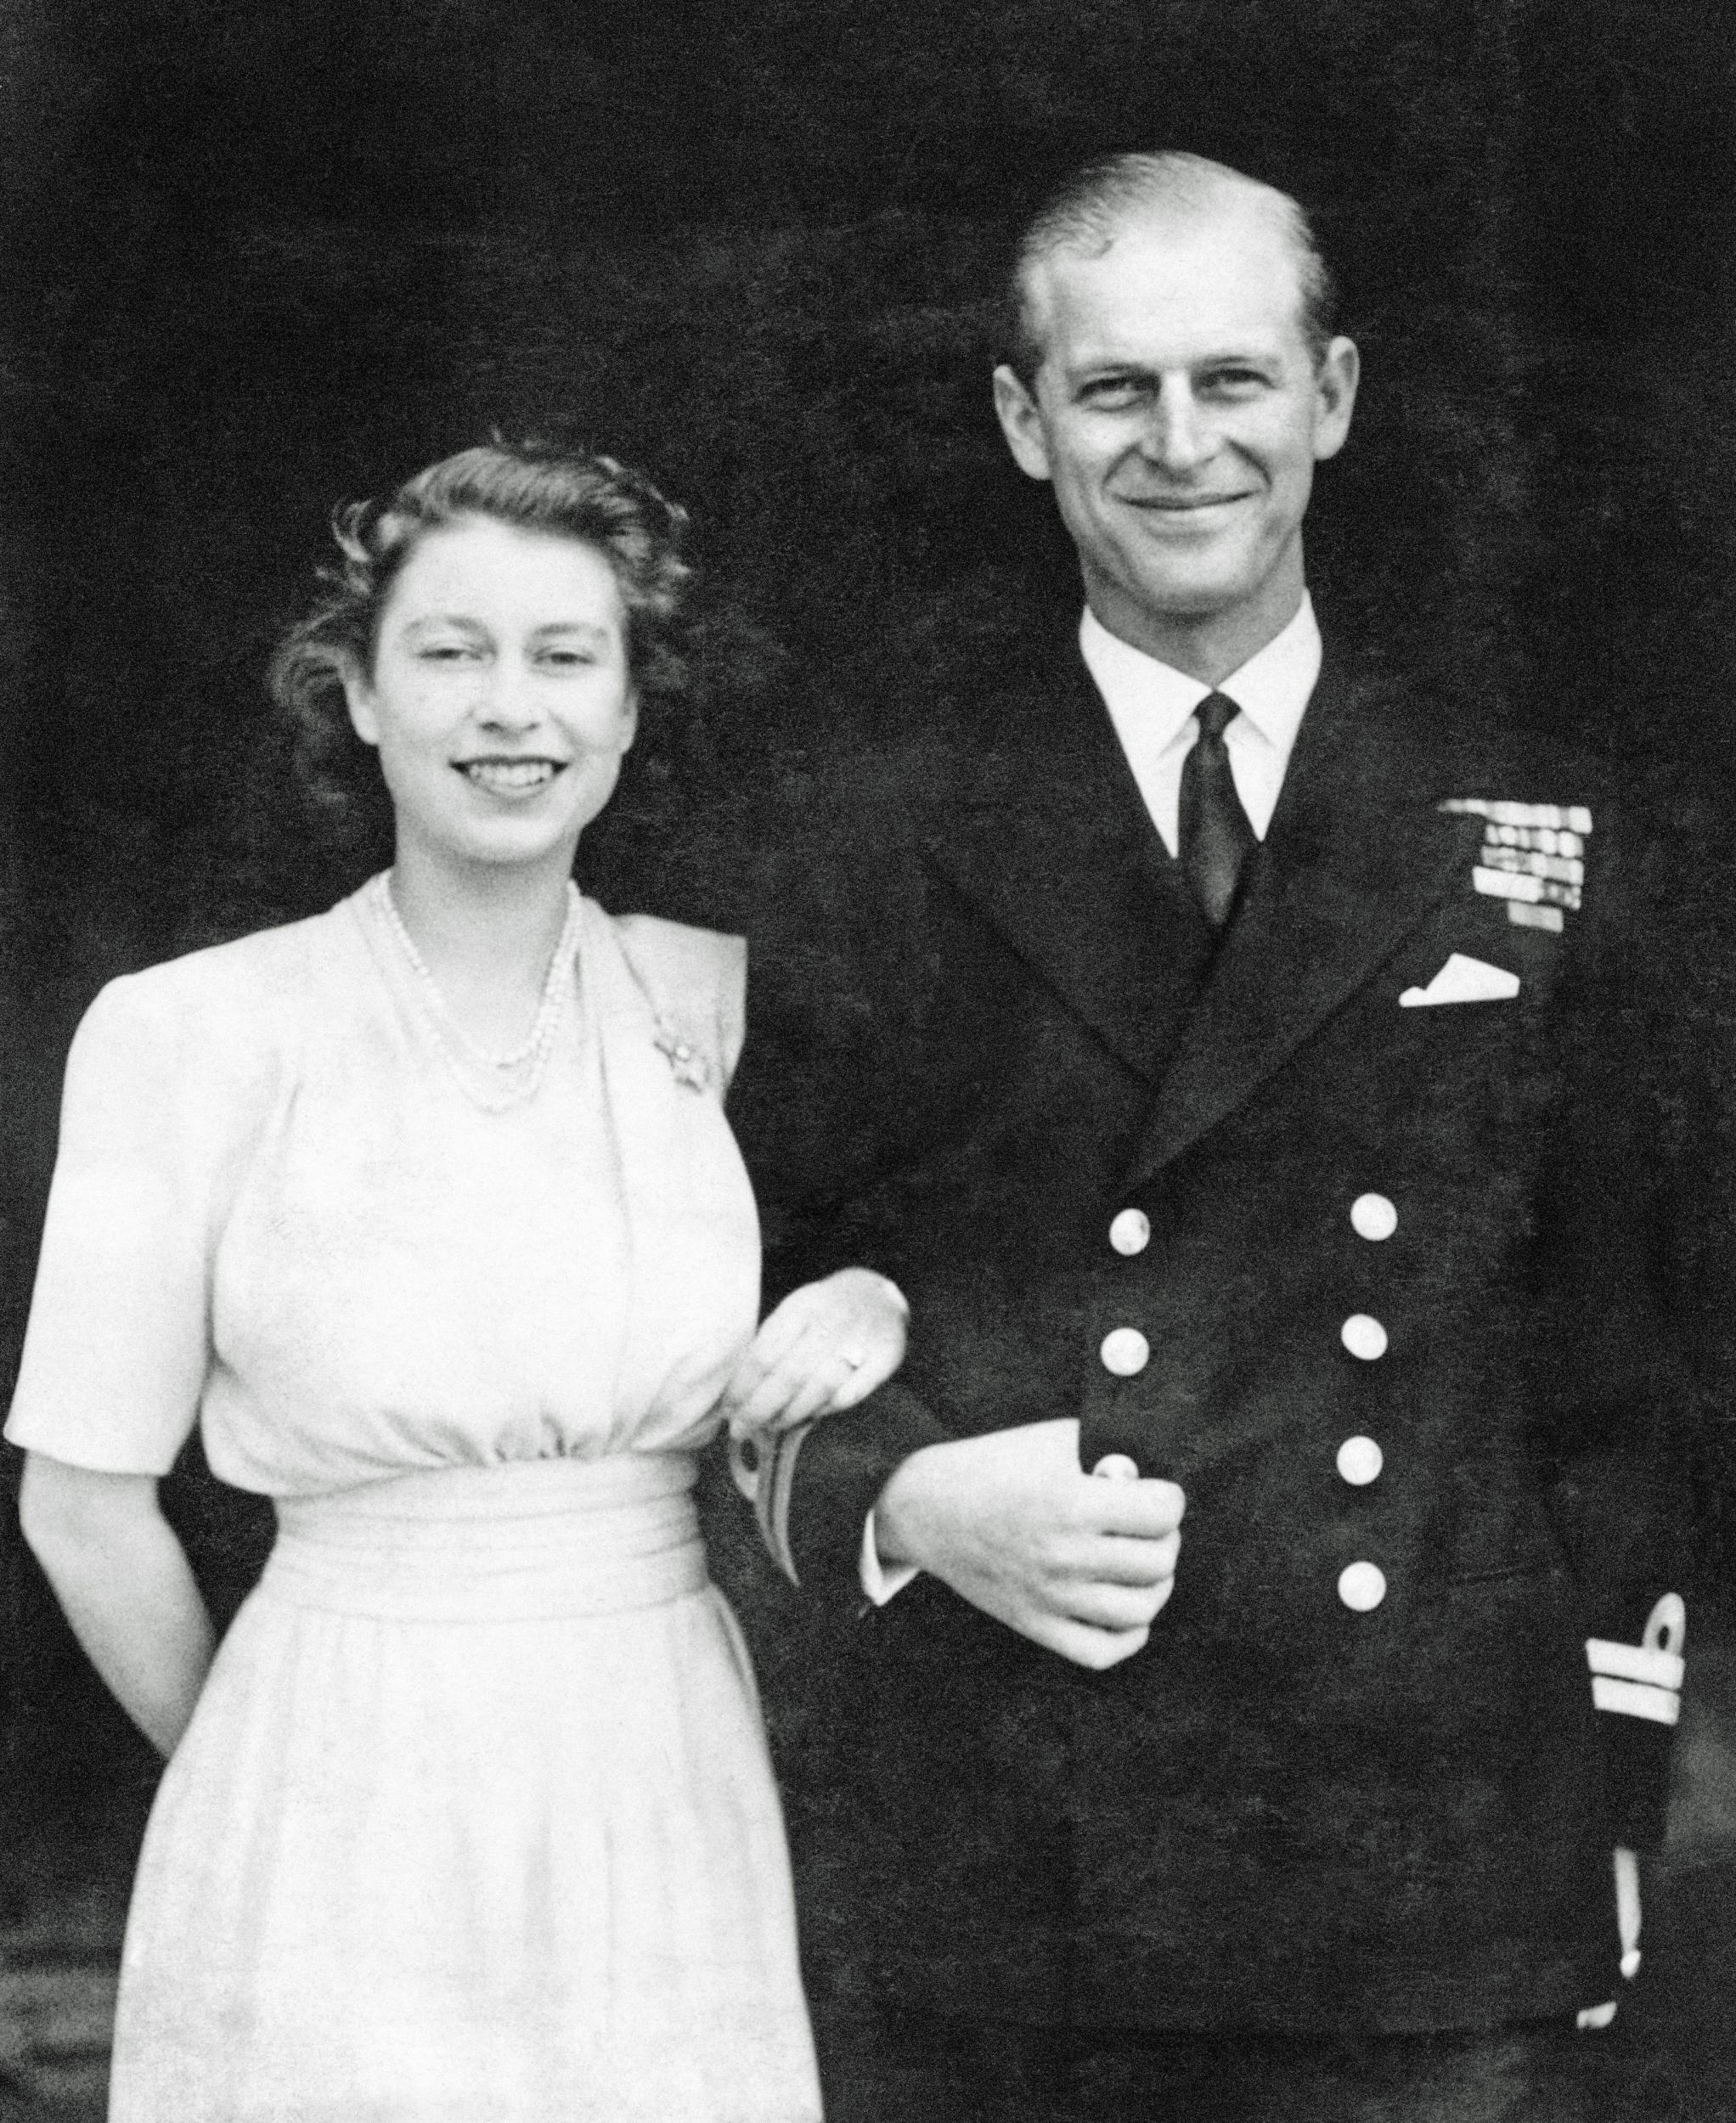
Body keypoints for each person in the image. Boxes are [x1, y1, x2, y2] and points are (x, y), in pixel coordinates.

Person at [730, 153, 1691, 2122]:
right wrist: (897, 1507)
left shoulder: (1536, 821)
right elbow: (730, 1277)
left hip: (1423, 1854)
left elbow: (1625, 1361)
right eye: (1113, 390)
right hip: (1005, 1857)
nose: (1180, 446)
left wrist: (1607, 1791)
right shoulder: (874, 823)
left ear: (1327, 399)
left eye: (1232, 382)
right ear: (1023, 422)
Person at [6, 441, 909, 2123]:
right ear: (356, 691)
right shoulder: (191, 1032)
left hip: (659, 1760)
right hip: (330, 1754)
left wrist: (868, 1297)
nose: (514, 708)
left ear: (633, 706)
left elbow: (923, 1237)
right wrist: (262, 1781)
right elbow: (80, 1503)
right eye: (449, 651)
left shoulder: (702, 1009)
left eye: (566, 656)